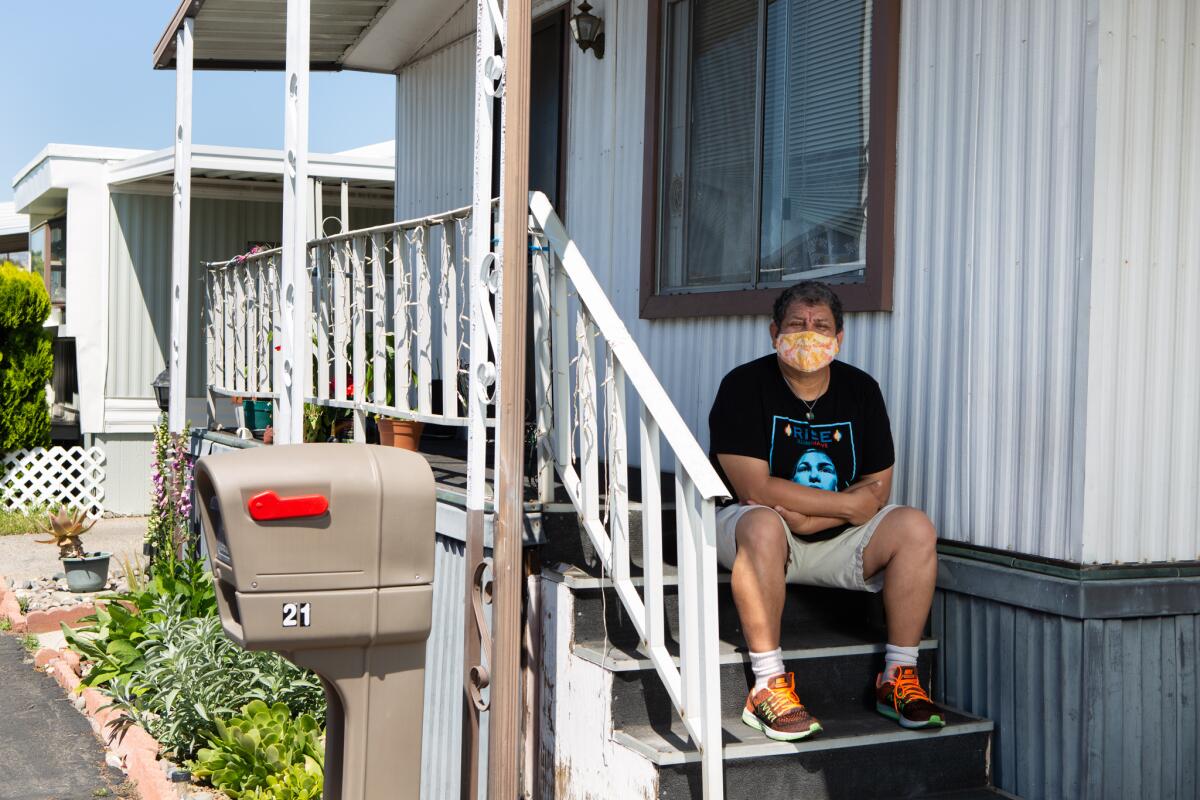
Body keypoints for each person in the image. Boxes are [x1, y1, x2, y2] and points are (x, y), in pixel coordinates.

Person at [708, 280, 945, 742]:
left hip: (833, 536)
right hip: (757, 531)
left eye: (821, 327)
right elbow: (755, 487)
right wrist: (845, 505)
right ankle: (768, 684)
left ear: (839, 338)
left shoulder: (861, 390)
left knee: (914, 527)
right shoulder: (744, 386)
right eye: (797, 324)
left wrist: (815, 518)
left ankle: (898, 677)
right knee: (762, 523)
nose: (808, 335)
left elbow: (877, 490)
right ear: (774, 331)